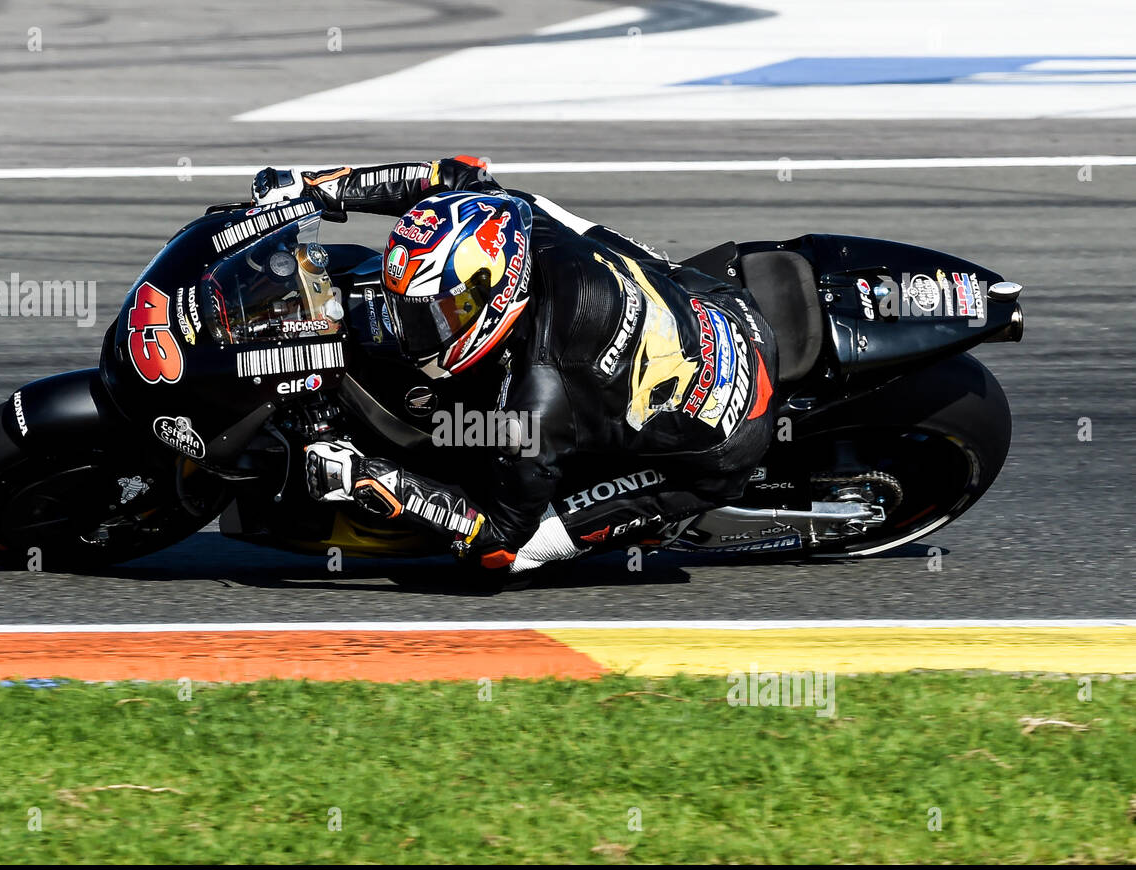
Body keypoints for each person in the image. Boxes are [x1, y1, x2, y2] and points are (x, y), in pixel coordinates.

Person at [252, 157, 777, 576]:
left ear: (494, 295)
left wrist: (374, 477)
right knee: (552, 214)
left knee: (511, 555)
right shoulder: (509, 218)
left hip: (725, 438)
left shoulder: (538, 400)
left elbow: (497, 534)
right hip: (717, 303)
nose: (412, 328)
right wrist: (315, 188)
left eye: (436, 313)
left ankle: (672, 500)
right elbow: (452, 175)